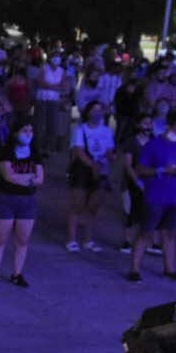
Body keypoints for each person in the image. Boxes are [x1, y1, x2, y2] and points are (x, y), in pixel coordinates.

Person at [128, 108, 176, 283]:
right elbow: (140, 169)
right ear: (169, 126)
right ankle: (135, 268)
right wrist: (159, 170)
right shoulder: (153, 145)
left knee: (169, 233)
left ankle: (169, 268)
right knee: (145, 232)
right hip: (156, 195)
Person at [0, 119, 43, 287]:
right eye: (25, 130)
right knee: (0, 239)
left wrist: (21, 179)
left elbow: (40, 179)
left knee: (23, 240)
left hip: (28, 202)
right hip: (5, 199)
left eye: (31, 131)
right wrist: (28, 178)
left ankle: (17, 274)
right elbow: (8, 176)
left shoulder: (35, 153)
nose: (28, 134)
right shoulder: (5, 151)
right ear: (15, 133)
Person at [65, 101, 113, 253]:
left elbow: (110, 150)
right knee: (77, 205)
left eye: (100, 110)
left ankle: (88, 239)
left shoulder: (107, 131)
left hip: (101, 169)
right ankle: (72, 239)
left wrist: (110, 157)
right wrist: (93, 165)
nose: (97, 113)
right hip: (82, 170)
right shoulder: (80, 129)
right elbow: (78, 151)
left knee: (93, 206)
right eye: (94, 110)